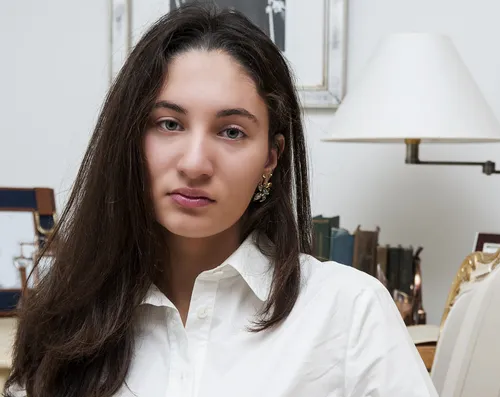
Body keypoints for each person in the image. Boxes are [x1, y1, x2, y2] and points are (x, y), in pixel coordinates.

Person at [4, 4, 438, 397]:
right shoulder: (66, 320)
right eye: (169, 124)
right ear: (130, 139)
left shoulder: (348, 311)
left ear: (271, 157)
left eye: (232, 131)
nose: (195, 163)